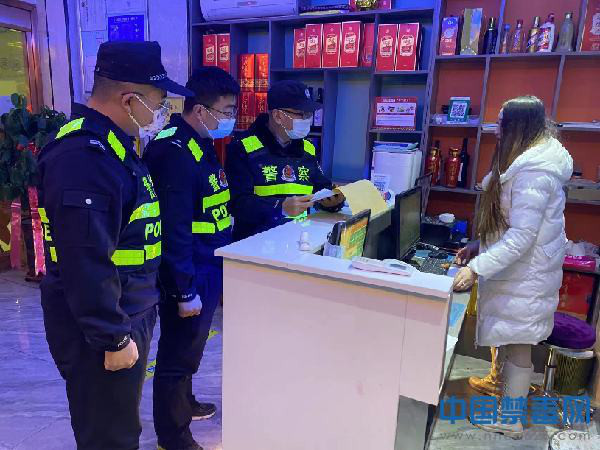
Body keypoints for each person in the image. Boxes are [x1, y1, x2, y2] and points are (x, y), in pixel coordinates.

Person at [37, 41, 193, 450]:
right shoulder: (84, 156)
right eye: (160, 103)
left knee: (120, 424)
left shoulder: (115, 147)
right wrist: (112, 336)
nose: (163, 113)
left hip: (127, 309)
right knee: (110, 436)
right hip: (104, 324)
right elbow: (84, 259)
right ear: (129, 100)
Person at [452, 96, 573, 439]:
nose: (496, 130)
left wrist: (476, 268)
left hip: (527, 277)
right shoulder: (528, 159)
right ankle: (504, 396)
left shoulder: (535, 172)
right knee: (511, 341)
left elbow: (521, 237)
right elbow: (510, 223)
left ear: (519, 126)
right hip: (522, 274)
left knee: (519, 346)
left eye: (501, 124)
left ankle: (511, 420)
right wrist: (479, 245)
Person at [144, 67, 239, 450]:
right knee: (176, 353)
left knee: (191, 348)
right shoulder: (174, 151)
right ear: (200, 110)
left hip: (208, 265)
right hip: (188, 270)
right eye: (227, 110)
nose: (231, 118)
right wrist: (183, 290)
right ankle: (173, 434)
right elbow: (175, 229)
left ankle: (185, 401)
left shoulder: (200, 143)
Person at [226, 80, 344, 241]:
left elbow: (321, 188)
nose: (307, 120)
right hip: (255, 242)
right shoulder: (243, 147)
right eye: (301, 114)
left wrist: (333, 202)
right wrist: (279, 207)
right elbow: (237, 203)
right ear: (277, 116)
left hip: (299, 238)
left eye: (309, 114)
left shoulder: (307, 149)